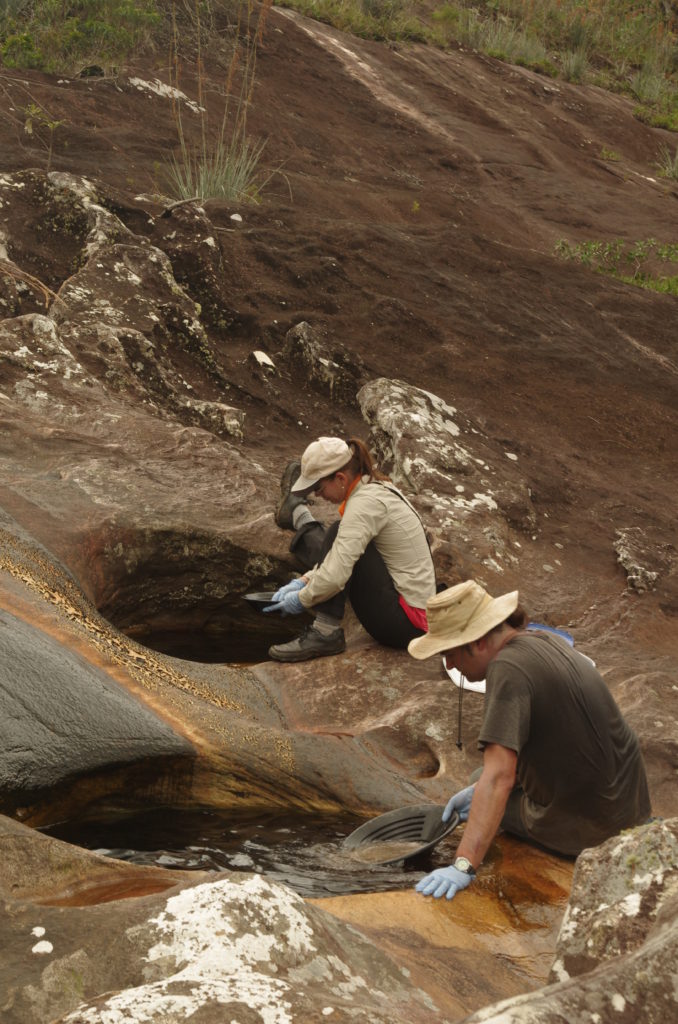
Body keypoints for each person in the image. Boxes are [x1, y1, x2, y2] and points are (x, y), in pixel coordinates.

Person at [407, 579, 651, 900]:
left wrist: (463, 864)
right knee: (478, 783)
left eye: (450, 654)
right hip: (630, 807)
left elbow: (499, 778)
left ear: (478, 642)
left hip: (593, 828)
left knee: (484, 782)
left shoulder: (508, 670)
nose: (450, 665)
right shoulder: (543, 641)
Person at [264, 436, 436, 662]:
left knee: (336, 532)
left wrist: (301, 599)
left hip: (406, 625)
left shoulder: (365, 504)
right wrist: (305, 580)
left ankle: (325, 633)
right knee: (340, 535)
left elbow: (336, 575)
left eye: (318, 487)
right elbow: (343, 553)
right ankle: (299, 518)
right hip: (414, 616)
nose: (317, 494)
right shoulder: (375, 489)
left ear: (340, 478)